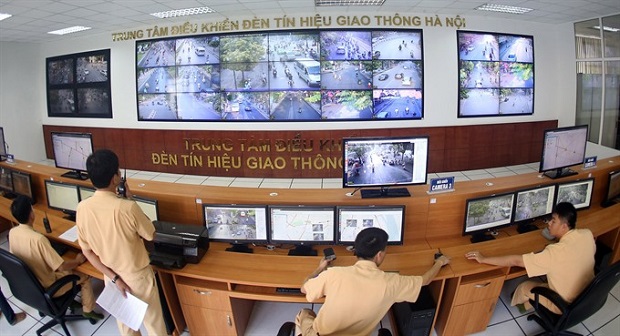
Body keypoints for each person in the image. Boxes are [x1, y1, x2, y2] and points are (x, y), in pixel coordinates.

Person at [76, 149, 167, 336]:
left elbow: (88, 252)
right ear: (115, 179)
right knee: (155, 326)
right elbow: (150, 234)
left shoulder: (82, 208)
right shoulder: (127, 207)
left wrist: (115, 279)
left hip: (112, 278)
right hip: (138, 278)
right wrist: (130, 199)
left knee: (126, 328)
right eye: (118, 172)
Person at [295, 227, 450, 336]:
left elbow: (304, 289)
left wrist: (319, 268)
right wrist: (440, 262)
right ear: (379, 255)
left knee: (305, 313)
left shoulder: (334, 274)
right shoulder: (391, 282)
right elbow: (425, 280)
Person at [465, 202, 595, 314]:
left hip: (565, 304)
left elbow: (515, 261)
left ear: (564, 226)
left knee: (524, 287)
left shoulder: (553, 253)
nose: (549, 223)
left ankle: (522, 306)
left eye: (553, 221)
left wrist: (483, 259)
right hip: (587, 295)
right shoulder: (587, 234)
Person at [9, 195, 103, 321]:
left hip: (32, 284)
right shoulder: (38, 240)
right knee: (84, 276)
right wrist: (77, 261)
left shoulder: (12, 232)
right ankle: (88, 310)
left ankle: (69, 301)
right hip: (49, 285)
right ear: (31, 214)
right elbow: (61, 266)